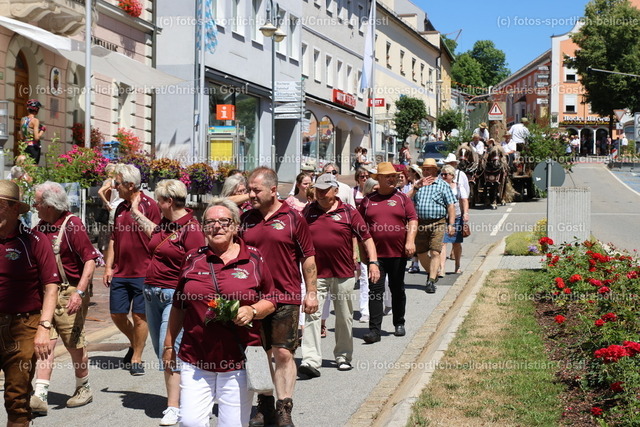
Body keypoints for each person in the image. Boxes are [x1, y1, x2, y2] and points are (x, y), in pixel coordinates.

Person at [163, 198, 277, 426]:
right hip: (196, 357)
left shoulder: (254, 258)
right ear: (203, 228)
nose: (217, 226)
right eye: (210, 222)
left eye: (224, 221)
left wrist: (252, 310)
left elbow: (272, 299)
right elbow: (179, 306)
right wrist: (168, 346)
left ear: (235, 226)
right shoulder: (192, 258)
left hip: (238, 359)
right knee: (190, 422)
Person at [240, 167, 318, 427]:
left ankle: (284, 407)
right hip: (253, 299)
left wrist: (312, 293)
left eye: (256, 190)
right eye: (249, 190)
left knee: (283, 352)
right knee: (258, 353)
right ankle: (265, 403)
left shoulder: (294, 218)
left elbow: (308, 257)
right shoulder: (245, 219)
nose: (251, 195)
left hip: (286, 295)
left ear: (273, 190)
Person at [129, 179, 205, 426]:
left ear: (169, 201)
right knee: (161, 350)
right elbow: (155, 234)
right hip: (152, 294)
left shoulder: (192, 230)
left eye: (159, 200)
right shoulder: (165, 223)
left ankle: (174, 406)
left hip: (174, 296)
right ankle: (185, 396)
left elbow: (198, 267)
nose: (156, 204)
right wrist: (136, 213)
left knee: (168, 349)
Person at [30, 182, 101, 416]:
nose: (34, 206)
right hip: (47, 292)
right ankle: (40, 395)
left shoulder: (73, 225)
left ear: (50, 205)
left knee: (74, 344)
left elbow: (90, 260)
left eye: (37, 203)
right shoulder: (40, 227)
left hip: (69, 291)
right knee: (45, 341)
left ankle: (84, 387)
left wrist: (79, 293)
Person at [298, 174, 380, 377]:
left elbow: (367, 238)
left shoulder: (349, 211)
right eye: (318, 190)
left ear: (335, 191)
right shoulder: (308, 211)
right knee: (312, 315)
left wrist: (373, 262)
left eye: (325, 190)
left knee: (344, 317)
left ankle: (343, 356)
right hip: (316, 275)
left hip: (343, 273)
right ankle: (310, 360)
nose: (320, 194)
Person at [0, 180, 59, 425]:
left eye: (0, 206)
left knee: (17, 396)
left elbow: (51, 286)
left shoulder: (34, 240)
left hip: (23, 326)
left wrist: (44, 327)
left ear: (15, 209)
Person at [103, 164, 161, 376]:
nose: (114, 186)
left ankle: (137, 357)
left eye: (117, 183)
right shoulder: (119, 208)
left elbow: (159, 236)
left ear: (129, 185)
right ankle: (134, 342)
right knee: (117, 314)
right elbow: (113, 238)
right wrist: (108, 266)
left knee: (139, 317)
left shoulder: (150, 206)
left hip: (143, 272)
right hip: (121, 271)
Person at [358, 162, 418, 343]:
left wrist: (410, 241)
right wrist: (361, 253)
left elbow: (413, 219)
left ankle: (399, 322)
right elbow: (360, 227)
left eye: (394, 176)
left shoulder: (402, 199)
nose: (392, 179)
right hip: (375, 256)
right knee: (375, 291)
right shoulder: (368, 201)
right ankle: (374, 330)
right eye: (388, 176)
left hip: (398, 253)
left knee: (397, 288)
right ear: (379, 178)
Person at [408, 158, 456, 294]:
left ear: (435, 170)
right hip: (421, 223)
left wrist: (451, 224)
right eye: (424, 169)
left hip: (438, 222)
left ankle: (430, 281)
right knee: (421, 253)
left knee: (435, 251)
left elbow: (451, 206)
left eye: (428, 169)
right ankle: (432, 274)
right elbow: (407, 200)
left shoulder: (443, 185)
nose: (425, 171)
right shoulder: (418, 185)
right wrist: (416, 187)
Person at [438, 166, 469, 276]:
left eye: (445, 174)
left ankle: (457, 265)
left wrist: (465, 213)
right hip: (443, 217)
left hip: (457, 217)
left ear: (452, 175)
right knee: (442, 243)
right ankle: (442, 268)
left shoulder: (459, 187)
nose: (443, 176)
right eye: (442, 174)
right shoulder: (439, 186)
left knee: (456, 243)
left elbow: (464, 200)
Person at [19, 99, 45, 164]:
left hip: (25, 146)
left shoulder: (23, 120)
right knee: (33, 167)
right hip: (33, 147)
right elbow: (36, 138)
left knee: (25, 166)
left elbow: (21, 137)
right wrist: (42, 131)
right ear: (37, 110)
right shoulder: (35, 121)